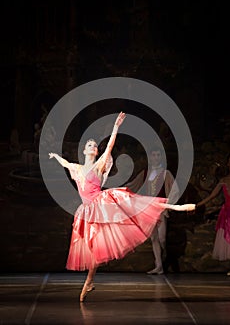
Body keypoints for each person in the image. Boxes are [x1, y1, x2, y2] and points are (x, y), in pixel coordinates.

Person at [49, 112, 195, 302]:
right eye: (89, 145)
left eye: (94, 145)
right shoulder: (76, 168)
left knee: (132, 202)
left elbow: (109, 146)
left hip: (100, 203)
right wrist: (55, 156)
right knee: (93, 249)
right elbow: (66, 163)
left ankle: (174, 207)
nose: (93, 147)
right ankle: (90, 281)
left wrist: (116, 127)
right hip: (87, 211)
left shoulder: (100, 164)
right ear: (84, 151)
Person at [127, 146, 180, 274]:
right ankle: (159, 265)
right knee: (154, 238)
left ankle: (165, 257)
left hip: (160, 209)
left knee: (162, 238)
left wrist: (168, 204)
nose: (155, 158)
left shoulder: (165, 173)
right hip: (148, 209)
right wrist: (120, 191)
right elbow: (133, 185)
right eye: (153, 155)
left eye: (158, 155)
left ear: (161, 157)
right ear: (150, 157)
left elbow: (175, 190)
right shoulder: (146, 172)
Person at [196, 152, 230, 275]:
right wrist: (198, 205)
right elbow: (212, 195)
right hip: (227, 213)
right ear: (228, 163)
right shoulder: (223, 180)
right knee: (228, 237)